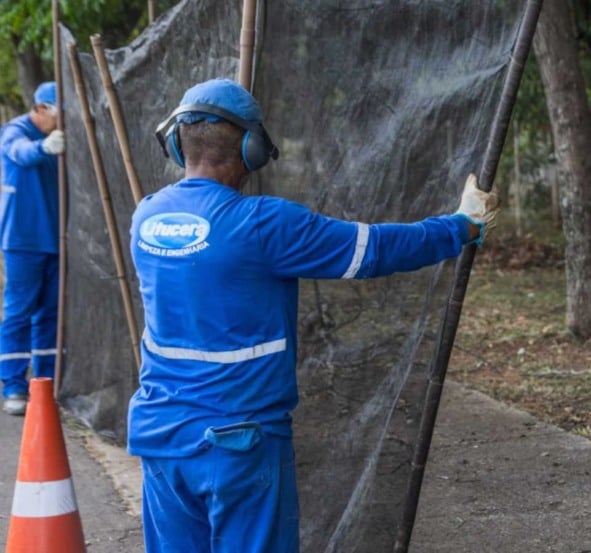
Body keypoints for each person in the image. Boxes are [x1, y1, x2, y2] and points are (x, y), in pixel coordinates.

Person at [127, 78, 498, 553]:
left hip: (160, 439)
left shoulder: (146, 217)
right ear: (251, 147)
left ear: (178, 144)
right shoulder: (264, 224)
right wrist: (462, 226)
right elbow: (375, 250)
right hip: (239, 445)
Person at [0, 81, 65, 416]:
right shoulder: (15, 131)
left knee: (49, 315)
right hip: (22, 241)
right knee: (19, 311)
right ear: (40, 109)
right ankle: (12, 385)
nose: (60, 121)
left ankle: (45, 383)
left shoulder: (57, 139)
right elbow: (18, 152)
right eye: (57, 113)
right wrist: (43, 149)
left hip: (54, 241)